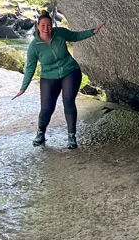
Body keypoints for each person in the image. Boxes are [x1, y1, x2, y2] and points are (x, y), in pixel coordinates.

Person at [13, 11, 105, 149]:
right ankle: (40, 133)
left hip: (70, 71)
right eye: (43, 25)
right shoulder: (34, 46)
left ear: (52, 25)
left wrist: (92, 31)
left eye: (49, 25)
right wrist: (23, 87)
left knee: (68, 101)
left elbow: (75, 36)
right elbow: (30, 68)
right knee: (47, 108)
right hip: (49, 76)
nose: (46, 28)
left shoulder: (60, 33)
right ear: (37, 26)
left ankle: (71, 136)